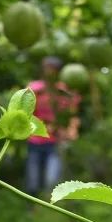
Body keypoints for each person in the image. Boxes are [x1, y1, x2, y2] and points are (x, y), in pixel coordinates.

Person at [25, 56, 81, 196]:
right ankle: (33, 208)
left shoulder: (65, 92)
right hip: (35, 139)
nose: (48, 72)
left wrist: (71, 130)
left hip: (55, 141)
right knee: (33, 178)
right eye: (46, 68)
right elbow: (26, 112)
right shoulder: (35, 89)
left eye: (52, 69)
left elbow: (73, 114)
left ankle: (49, 207)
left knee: (52, 179)